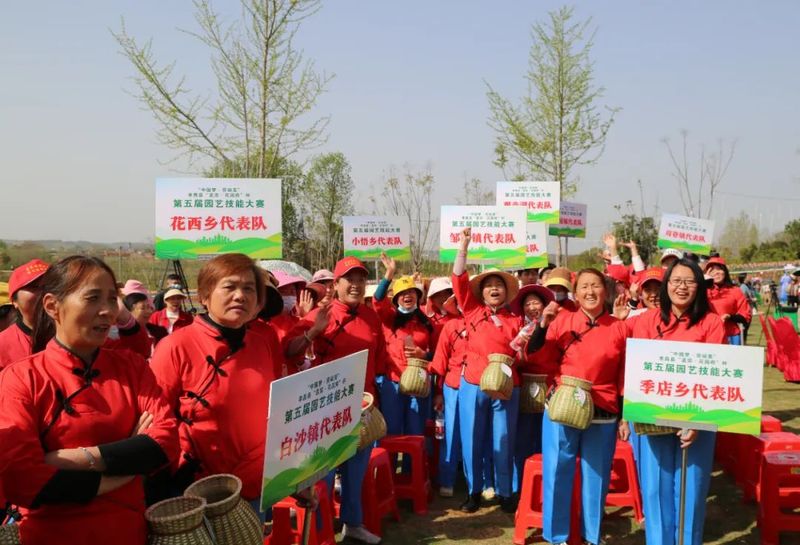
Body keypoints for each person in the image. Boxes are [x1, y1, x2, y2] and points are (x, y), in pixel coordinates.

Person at [0, 256, 179, 545]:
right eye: (93, 298)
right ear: (52, 306)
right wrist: (127, 468)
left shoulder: (132, 367)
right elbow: (22, 480)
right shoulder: (21, 378)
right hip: (52, 536)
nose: (107, 311)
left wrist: (74, 458)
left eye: (112, 298)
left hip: (128, 532)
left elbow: (166, 443)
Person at [149, 254, 286, 517]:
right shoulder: (175, 347)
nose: (240, 296)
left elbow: (271, 411)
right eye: (230, 286)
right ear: (204, 295)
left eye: (249, 288)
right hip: (198, 490)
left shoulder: (260, 344)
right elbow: (157, 422)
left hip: (255, 482)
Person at [285, 256, 387, 545]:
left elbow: (379, 356)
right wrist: (314, 331)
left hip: (362, 407)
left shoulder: (371, 316)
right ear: (336, 284)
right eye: (349, 279)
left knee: (355, 474)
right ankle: (321, 532)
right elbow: (290, 351)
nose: (355, 285)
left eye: (360, 279)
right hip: (326, 411)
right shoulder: (322, 313)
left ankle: (353, 524)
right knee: (323, 477)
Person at [627, 258, 725, 545]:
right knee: (655, 488)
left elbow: (717, 375)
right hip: (652, 418)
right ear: (667, 285)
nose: (681, 287)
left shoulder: (711, 323)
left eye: (689, 281)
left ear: (699, 286)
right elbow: (634, 367)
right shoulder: (646, 320)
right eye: (675, 281)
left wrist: (698, 422)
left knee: (691, 491)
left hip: (697, 423)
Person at [531, 267, 628, 545]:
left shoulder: (619, 327)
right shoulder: (562, 321)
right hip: (562, 407)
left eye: (595, 286)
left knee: (595, 476)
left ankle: (591, 537)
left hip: (603, 408)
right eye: (584, 286)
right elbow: (540, 357)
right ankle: (556, 537)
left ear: (605, 291)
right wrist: (543, 325)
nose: (590, 292)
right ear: (575, 292)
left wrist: (624, 415)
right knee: (557, 471)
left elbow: (623, 373)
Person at [452, 228, 521, 514]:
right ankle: (474, 491)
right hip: (472, 383)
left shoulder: (516, 320)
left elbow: (523, 354)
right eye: (489, 285)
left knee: (504, 439)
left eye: (499, 285)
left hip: (506, 388)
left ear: (506, 292)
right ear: (481, 292)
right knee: (471, 437)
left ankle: (505, 492)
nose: (494, 289)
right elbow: (458, 279)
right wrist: (463, 247)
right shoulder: (472, 311)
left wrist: (520, 346)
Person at [0, 259, 150, 368]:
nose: (43, 293)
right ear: (14, 300)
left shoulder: (84, 338)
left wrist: (126, 320)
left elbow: (138, 355)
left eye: (49, 286)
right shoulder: (4, 347)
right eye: (34, 287)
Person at [372, 254, 433, 441]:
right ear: (397, 298)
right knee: (392, 430)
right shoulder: (389, 319)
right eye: (403, 293)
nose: (408, 296)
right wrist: (389, 274)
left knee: (415, 432)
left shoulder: (426, 323)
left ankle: (412, 469)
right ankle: (390, 469)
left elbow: (437, 353)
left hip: (419, 383)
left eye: (412, 292)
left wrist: (425, 355)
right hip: (394, 383)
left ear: (418, 296)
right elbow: (377, 301)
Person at [509, 283, 555, 496]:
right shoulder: (522, 330)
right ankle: (521, 487)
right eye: (527, 304)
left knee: (546, 439)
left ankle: (546, 487)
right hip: (527, 389)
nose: (532, 307)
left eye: (536, 302)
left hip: (551, 389)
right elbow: (512, 359)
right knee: (524, 439)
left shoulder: (556, 325)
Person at [428, 294, 465, 498]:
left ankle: (480, 482)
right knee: (450, 434)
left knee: (480, 435)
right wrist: (439, 393)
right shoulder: (450, 326)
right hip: (452, 387)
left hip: (483, 386)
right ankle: (447, 479)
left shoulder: (486, 323)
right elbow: (440, 362)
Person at [705, 257, 750, 345]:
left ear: (725, 271)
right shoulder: (703, 290)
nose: (716, 272)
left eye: (719, 269)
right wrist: (704, 282)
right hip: (708, 335)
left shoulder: (735, 290)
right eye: (712, 270)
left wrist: (730, 317)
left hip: (731, 335)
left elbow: (746, 315)